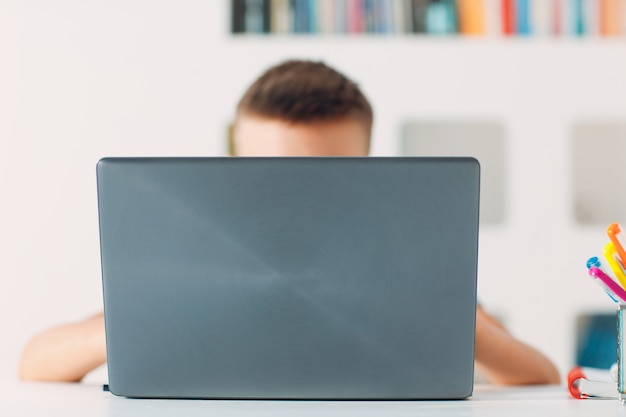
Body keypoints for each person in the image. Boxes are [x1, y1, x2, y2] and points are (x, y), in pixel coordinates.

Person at [18, 60, 561, 385]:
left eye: (325, 182)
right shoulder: (200, 268)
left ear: (373, 173)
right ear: (231, 167)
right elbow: (34, 362)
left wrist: (441, 322)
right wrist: (145, 324)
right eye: (270, 179)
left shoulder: (396, 269)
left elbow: (536, 374)